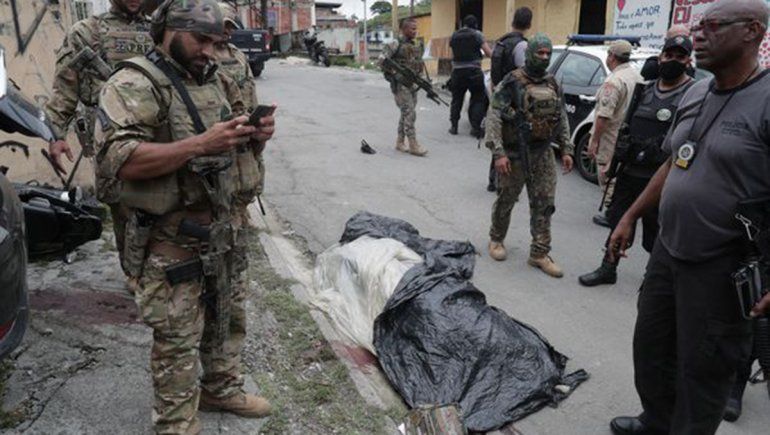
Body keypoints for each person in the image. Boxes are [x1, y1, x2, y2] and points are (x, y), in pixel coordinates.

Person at [95, 0, 275, 432]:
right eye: (201, 40)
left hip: (224, 229)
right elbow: (119, 160)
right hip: (173, 239)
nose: (210, 52)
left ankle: (221, 389)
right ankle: (176, 423)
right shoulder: (134, 82)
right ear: (169, 30)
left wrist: (257, 135)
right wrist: (200, 144)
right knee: (177, 338)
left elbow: (230, 143)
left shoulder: (214, 78)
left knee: (227, 319)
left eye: (215, 42)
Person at [608, 1, 770, 433]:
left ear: (752, 31)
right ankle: (656, 422)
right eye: (698, 26)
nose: (698, 35)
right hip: (669, 250)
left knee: (704, 370)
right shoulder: (696, 92)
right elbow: (674, 162)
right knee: (651, 349)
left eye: (712, 26)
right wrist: (630, 215)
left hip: (723, 263)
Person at [44, 0, 152, 274]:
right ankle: (134, 273)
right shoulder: (87, 31)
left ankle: (152, 273)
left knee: (160, 205)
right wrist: (56, 135)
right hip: (109, 136)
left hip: (155, 132)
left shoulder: (159, 31)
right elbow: (65, 87)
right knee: (123, 208)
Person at [578, 35, 695, 287]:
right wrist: (618, 155)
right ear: (661, 57)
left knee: (657, 235)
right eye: (669, 55)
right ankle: (608, 268)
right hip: (631, 171)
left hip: (663, 178)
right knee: (618, 221)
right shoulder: (645, 89)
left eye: (680, 56)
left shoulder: (692, 94)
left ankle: (654, 278)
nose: (673, 60)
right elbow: (627, 126)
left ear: (688, 61)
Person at [485, 33, 574, 278]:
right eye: (540, 53)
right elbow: (494, 116)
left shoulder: (552, 83)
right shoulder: (512, 82)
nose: (544, 57)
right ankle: (496, 239)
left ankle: (539, 253)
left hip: (543, 153)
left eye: (548, 53)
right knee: (506, 199)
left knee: (544, 203)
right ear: (529, 54)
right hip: (515, 154)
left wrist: (566, 148)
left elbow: (561, 117)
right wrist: (498, 152)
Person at [215, 2, 265, 222]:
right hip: (220, 132)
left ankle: (240, 216)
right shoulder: (201, 55)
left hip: (245, 130)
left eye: (230, 26)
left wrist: (258, 119)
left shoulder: (238, 55)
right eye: (223, 25)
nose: (227, 30)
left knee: (248, 179)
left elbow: (250, 88)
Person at [587, 40, 643, 227]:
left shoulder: (614, 81)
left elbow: (604, 116)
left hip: (611, 136)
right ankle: (621, 211)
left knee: (607, 173)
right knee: (620, 175)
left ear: (611, 56)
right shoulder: (636, 76)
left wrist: (595, 141)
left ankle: (612, 214)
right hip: (629, 134)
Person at [487, 6, 532, 192]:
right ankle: (503, 183)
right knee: (512, 142)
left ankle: (493, 180)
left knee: (498, 138)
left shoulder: (501, 42)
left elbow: (494, 72)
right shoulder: (521, 46)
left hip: (498, 94)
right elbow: (524, 75)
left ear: (513, 21)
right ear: (529, 24)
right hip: (513, 99)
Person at [379, 18, 428, 157]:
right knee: (409, 113)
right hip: (401, 85)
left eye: (416, 28)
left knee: (405, 113)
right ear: (404, 29)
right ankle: (413, 144)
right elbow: (381, 61)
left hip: (413, 84)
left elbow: (418, 64)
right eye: (412, 28)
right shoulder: (395, 43)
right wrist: (395, 74)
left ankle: (400, 142)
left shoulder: (414, 45)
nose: (415, 31)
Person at [448, 15, 492, 138]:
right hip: (474, 71)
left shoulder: (454, 35)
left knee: (457, 99)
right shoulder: (477, 35)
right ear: (475, 25)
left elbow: (453, 54)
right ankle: (475, 128)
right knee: (478, 99)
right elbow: (489, 53)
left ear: (464, 24)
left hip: (457, 72)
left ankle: (454, 127)